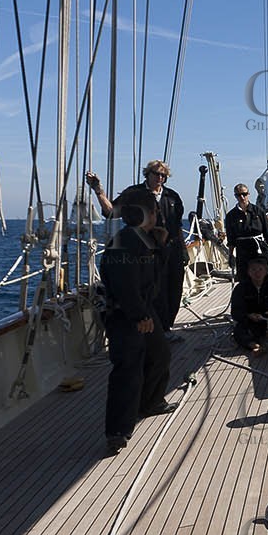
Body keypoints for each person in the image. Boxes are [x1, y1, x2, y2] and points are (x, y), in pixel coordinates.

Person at [98, 189, 175, 454]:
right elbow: (124, 284)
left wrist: (161, 245)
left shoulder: (143, 239)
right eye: (154, 211)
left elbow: (154, 277)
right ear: (146, 214)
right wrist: (140, 316)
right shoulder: (125, 241)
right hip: (125, 314)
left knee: (160, 354)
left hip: (141, 308)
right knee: (128, 369)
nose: (157, 215)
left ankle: (151, 402)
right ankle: (117, 431)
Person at [86, 161, 187, 338]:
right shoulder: (134, 194)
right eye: (156, 174)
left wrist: (183, 251)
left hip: (172, 250)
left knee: (174, 290)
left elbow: (177, 225)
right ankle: (156, 330)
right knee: (155, 291)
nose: (160, 178)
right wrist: (99, 191)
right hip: (145, 251)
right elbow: (111, 212)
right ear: (147, 174)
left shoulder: (172, 196)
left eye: (164, 176)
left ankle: (167, 327)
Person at [230, 257, 268, 354]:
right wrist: (249, 315)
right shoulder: (240, 288)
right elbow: (235, 312)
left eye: (260, 269)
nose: (257, 273)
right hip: (250, 321)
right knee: (239, 331)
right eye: (253, 270)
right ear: (249, 272)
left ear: (265, 272)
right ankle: (256, 347)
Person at [224, 183, 268, 276]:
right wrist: (230, 256)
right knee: (245, 279)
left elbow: (267, 231)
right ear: (235, 196)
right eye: (238, 195)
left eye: (244, 194)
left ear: (248, 194)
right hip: (243, 250)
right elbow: (231, 239)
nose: (242, 197)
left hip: (259, 247)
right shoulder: (231, 216)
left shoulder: (258, 211)